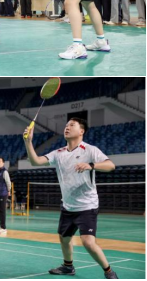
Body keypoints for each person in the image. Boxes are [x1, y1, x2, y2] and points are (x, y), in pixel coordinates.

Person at [23, 118, 119, 280]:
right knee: (64, 237)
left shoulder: (90, 150)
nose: (67, 127)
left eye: (72, 125)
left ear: (81, 131)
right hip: (68, 206)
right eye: (66, 125)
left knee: (88, 242)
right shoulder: (58, 153)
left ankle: (109, 272)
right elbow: (35, 161)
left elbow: (111, 165)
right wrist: (28, 142)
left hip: (87, 205)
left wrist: (91, 165)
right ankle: (68, 267)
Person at [0, 157, 11, 235]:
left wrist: (9, 191)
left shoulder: (5, 172)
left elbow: (8, 182)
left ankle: (4, 228)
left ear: (3, 163)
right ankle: (1, 226)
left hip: (2, 194)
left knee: (2, 211)